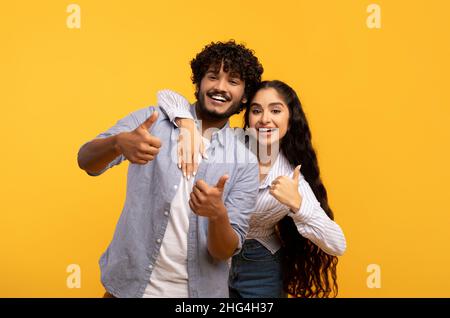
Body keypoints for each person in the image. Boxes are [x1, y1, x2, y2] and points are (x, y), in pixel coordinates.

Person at [77, 40, 264, 298]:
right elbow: (85, 160)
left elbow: (224, 251)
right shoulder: (152, 121)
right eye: (212, 77)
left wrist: (217, 214)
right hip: (128, 288)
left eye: (233, 81)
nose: (220, 87)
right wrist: (118, 143)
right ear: (199, 83)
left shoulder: (244, 161)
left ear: (244, 95)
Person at [160, 80, 347, 298]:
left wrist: (299, 205)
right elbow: (167, 95)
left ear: (291, 119)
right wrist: (188, 125)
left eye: (275, 110)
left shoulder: (290, 178)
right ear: (248, 117)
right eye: (256, 110)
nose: (265, 119)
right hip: (209, 255)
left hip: (260, 265)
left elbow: (337, 244)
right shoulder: (228, 142)